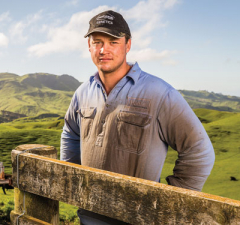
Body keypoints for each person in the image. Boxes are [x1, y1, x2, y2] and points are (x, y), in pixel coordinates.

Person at [60, 10, 215, 225]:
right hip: (89, 218)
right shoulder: (82, 93)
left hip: (139, 221)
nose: (104, 50)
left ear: (128, 44)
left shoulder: (159, 93)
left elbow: (199, 149)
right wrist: (74, 183)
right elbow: (70, 133)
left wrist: (172, 201)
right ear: (89, 47)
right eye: (97, 42)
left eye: (113, 42)